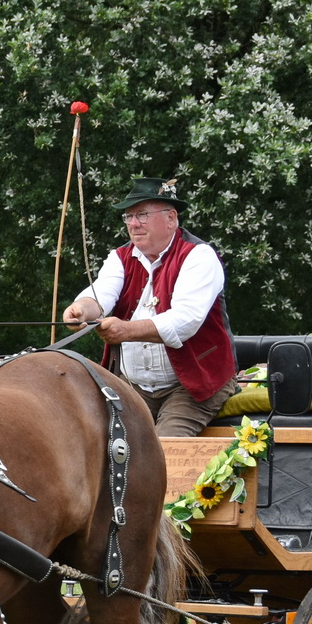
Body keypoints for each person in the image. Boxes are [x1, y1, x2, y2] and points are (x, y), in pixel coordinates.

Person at [62, 177, 238, 437]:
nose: (133, 224)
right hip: (132, 387)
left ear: (171, 218)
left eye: (142, 215)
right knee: (101, 449)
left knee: (164, 452)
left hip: (193, 387)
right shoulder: (120, 257)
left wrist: (126, 331)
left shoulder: (199, 256)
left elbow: (184, 321)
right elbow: (102, 294)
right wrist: (81, 309)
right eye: (129, 216)